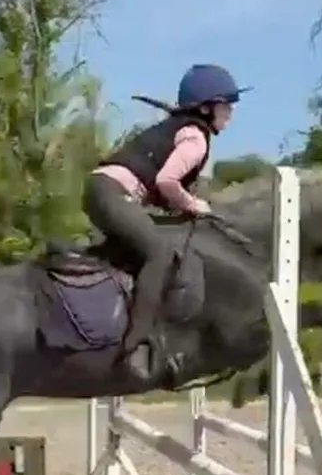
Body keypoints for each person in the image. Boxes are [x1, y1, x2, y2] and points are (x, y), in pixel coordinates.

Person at [82, 63, 249, 380]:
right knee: (158, 254)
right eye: (226, 105)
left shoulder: (179, 128)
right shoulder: (195, 139)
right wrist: (194, 205)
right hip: (113, 194)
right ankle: (136, 345)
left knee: (132, 254)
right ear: (206, 107)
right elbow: (167, 181)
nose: (230, 112)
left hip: (101, 189)